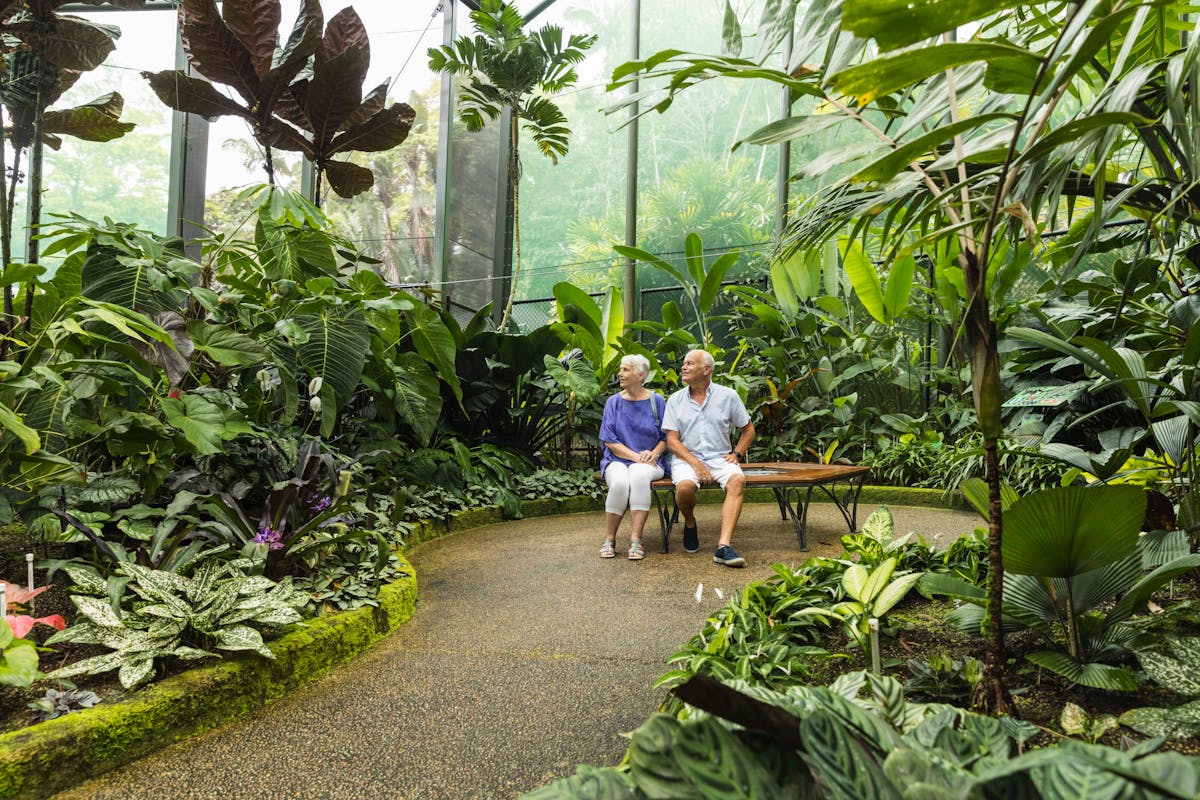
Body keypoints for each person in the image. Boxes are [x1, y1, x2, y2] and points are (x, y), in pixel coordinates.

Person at [662, 349, 755, 567]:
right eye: (684, 363)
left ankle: (723, 546)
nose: (684, 367)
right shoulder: (675, 400)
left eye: (690, 364)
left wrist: (737, 454)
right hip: (687, 458)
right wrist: (696, 464)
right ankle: (691, 522)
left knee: (737, 480)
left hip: (719, 457)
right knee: (684, 488)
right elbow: (672, 440)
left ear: (706, 370)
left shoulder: (728, 396)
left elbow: (748, 430)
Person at [598, 354, 668, 560]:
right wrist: (637, 456)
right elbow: (609, 440)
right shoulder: (613, 402)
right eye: (621, 369)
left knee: (638, 476)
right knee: (619, 482)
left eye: (625, 370)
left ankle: (636, 540)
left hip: (650, 462)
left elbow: (667, 436)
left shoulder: (657, 401)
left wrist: (654, 453)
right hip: (618, 460)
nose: (620, 374)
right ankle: (609, 538)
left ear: (640, 374)